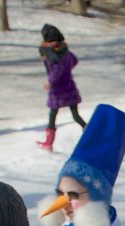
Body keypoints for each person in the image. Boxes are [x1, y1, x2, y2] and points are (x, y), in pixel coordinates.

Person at [36, 24, 84, 153]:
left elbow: (57, 68)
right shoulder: (65, 50)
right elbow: (74, 61)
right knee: (75, 115)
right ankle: (89, 132)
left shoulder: (50, 51)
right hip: (69, 86)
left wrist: (50, 81)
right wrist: (66, 73)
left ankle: (48, 143)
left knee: (52, 115)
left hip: (58, 90)